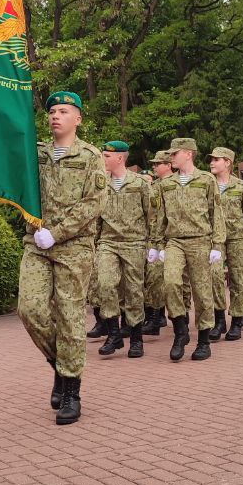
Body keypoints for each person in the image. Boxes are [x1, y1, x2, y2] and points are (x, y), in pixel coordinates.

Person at [16, 91, 106, 425]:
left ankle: (71, 389)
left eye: (63, 111)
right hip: (35, 243)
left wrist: (58, 231)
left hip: (74, 247)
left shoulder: (91, 156)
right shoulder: (34, 153)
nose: (55, 115)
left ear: (78, 118)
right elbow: (19, 187)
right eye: (52, 111)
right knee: (31, 309)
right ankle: (61, 364)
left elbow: (94, 202)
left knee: (70, 317)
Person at [152, 137, 225, 361]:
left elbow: (217, 213)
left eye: (175, 154)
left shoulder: (206, 180)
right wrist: (157, 244)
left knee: (202, 292)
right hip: (174, 241)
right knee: (171, 282)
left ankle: (203, 340)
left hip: (200, 240)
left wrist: (217, 244)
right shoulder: (167, 184)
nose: (170, 157)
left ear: (188, 154)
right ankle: (180, 332)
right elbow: (160, 217)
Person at [95, 140, 152, 359]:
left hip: (134, 242)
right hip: (108, 242)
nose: (103, 159)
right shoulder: (101, 183)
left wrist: (153, 244)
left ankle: (136, 339)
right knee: (105, 284)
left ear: (120, 157)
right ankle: (113, 334)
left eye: (107, 156)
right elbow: (96, 215)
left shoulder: (140, 183)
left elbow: (151, 216)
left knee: (133, 291)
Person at [207, 147, 243, 341]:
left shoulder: (241, 187)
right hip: (215, 240)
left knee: (238, 280)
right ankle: (219, 319)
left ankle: (237, 321)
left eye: (216, 159)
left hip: (239, 239)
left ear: (228, 162)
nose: (212, 162)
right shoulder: (207, 184)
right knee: (214, 277)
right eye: (211, 159)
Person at [142, 150, 173, 335]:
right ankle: (156, 317)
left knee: (162, 279)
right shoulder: (154, 186)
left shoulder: (173, 185)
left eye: (158, 164)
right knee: (152, 278)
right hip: (152, 237)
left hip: (169, 239)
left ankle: (165, 318)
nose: (154, 167)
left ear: (168, 165)